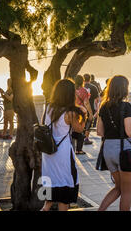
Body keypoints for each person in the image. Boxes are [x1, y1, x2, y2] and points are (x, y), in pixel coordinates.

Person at [41, 79, 87, 211]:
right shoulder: (70, 113)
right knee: (64, 193)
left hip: (48, 154)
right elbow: (79, 129)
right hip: (62, 155)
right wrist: (84, 114)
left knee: (49, 195)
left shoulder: (49, 107)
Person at [97, 75, 131, 211]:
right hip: (123, 150)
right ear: (124, 89)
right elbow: (129, 131)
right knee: (126, 191)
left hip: (108, 149)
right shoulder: (126, 106)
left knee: (118, 188)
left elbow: (99, 132)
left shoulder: (103, 107)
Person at [74, 75, 93, 155]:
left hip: (72, 111)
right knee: (81, 130)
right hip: (81, 113)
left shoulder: (72, 90)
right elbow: (86, 103)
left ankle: (73, 148)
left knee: (73, 130)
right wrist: (91, 113)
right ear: (82, 81)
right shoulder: (83, 90)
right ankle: (79, 150)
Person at [83, 74, 99, 145]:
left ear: (83, 79)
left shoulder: (80, 87)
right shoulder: (93, 87)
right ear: (90, 79)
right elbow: (97, 99)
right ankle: (86, 138)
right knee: (88, 123)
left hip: (81, 107)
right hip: (90, 107)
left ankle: (80, 137)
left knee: (81, 122)